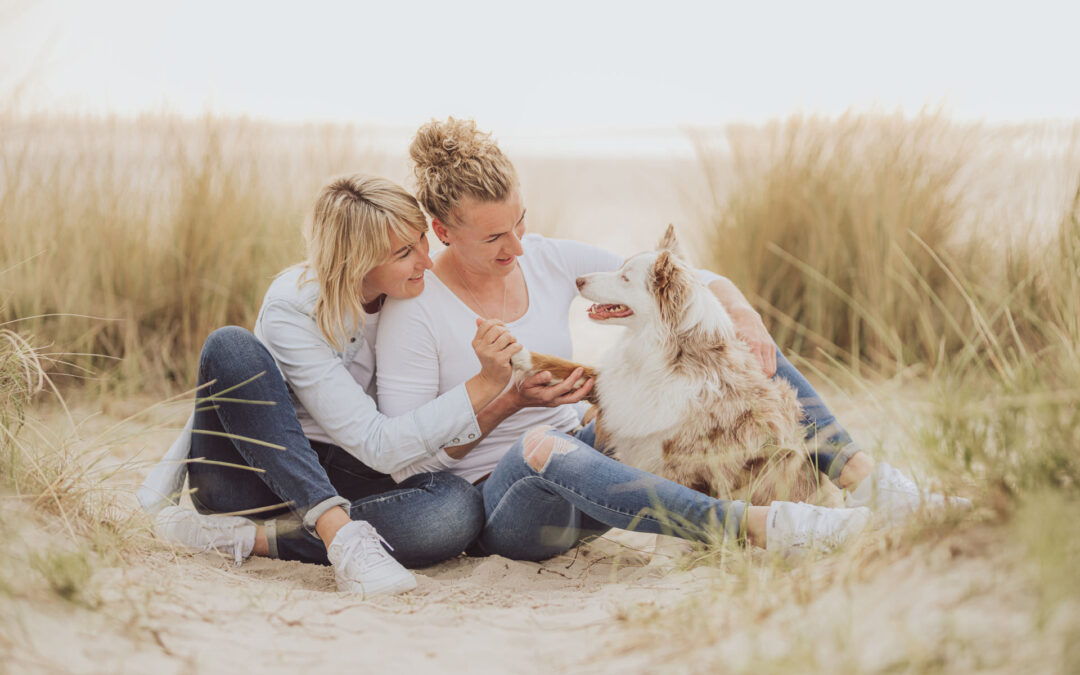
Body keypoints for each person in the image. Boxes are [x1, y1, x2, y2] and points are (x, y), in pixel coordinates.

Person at [375, 118, 961, 561]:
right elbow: (410, 461)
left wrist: (744, 313)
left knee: (739, 340)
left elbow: (684, 283)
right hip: (506, 500)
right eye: (496, 238)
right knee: (542, 448)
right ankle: (763, 528)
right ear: (443, 231)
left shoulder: (547, 260)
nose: (518, 247)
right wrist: (503, 398)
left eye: (521, 222)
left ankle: (871, 483)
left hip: (594, 454)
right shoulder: (415, 313)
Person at [139, 175, 584, 597]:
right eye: (404, 252)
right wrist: (485, 384)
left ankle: (253, 541)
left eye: (421, 241)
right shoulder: (292, 308)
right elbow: (380, 446)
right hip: (257, 478)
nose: (427, 261)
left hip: (345, 471)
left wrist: (522, 399)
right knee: (231, 346)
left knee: (454, 508)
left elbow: (399, 450)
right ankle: (342, 538)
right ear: (357, 261)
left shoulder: (407, 296)